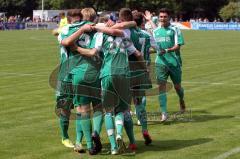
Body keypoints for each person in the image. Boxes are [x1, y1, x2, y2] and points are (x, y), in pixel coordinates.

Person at [61, 7, 103, 155]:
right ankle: (95, 132)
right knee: (98, 107)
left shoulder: (69, 28)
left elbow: (64, 41)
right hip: (96, 71)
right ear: (94, 17)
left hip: (78, 73)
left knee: (82, 110)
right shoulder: (98, 29)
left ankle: (90, 144)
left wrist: (76, 48)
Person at [145, 8, 186, 121]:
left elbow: (178, 46)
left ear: (169, 18)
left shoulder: (175, 29)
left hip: (174, 62)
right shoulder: (155, 31)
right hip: (160, 63)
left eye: (165, 17)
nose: (162, 18)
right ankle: (164, 113)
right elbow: (155, 48)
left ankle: (181, 100)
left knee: (177, 87)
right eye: (161, 16)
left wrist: (167, 50)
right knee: (161, 88)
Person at [56, 9, 84, 151]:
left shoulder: (83, 31)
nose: (78, 24)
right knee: (65, 107)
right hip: (66, 75)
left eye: (80, 20)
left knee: (82, 106)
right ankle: (65, 137)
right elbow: (67, 42)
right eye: (76, 21)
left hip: (81, 74)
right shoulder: (66, 30)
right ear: (69, 21)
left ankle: (80, 139)